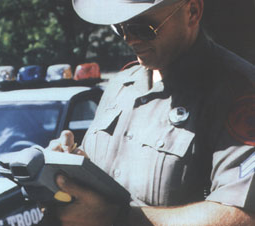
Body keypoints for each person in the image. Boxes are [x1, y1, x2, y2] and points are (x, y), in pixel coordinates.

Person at [46, 0, 255, 225]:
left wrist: (117, 217)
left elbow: (241, 216)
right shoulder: (121, 85)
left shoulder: (238, 92)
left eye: (143, 29)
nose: (129, 38)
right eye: (121, 28)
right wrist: (70, 169)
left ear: (192, 12)